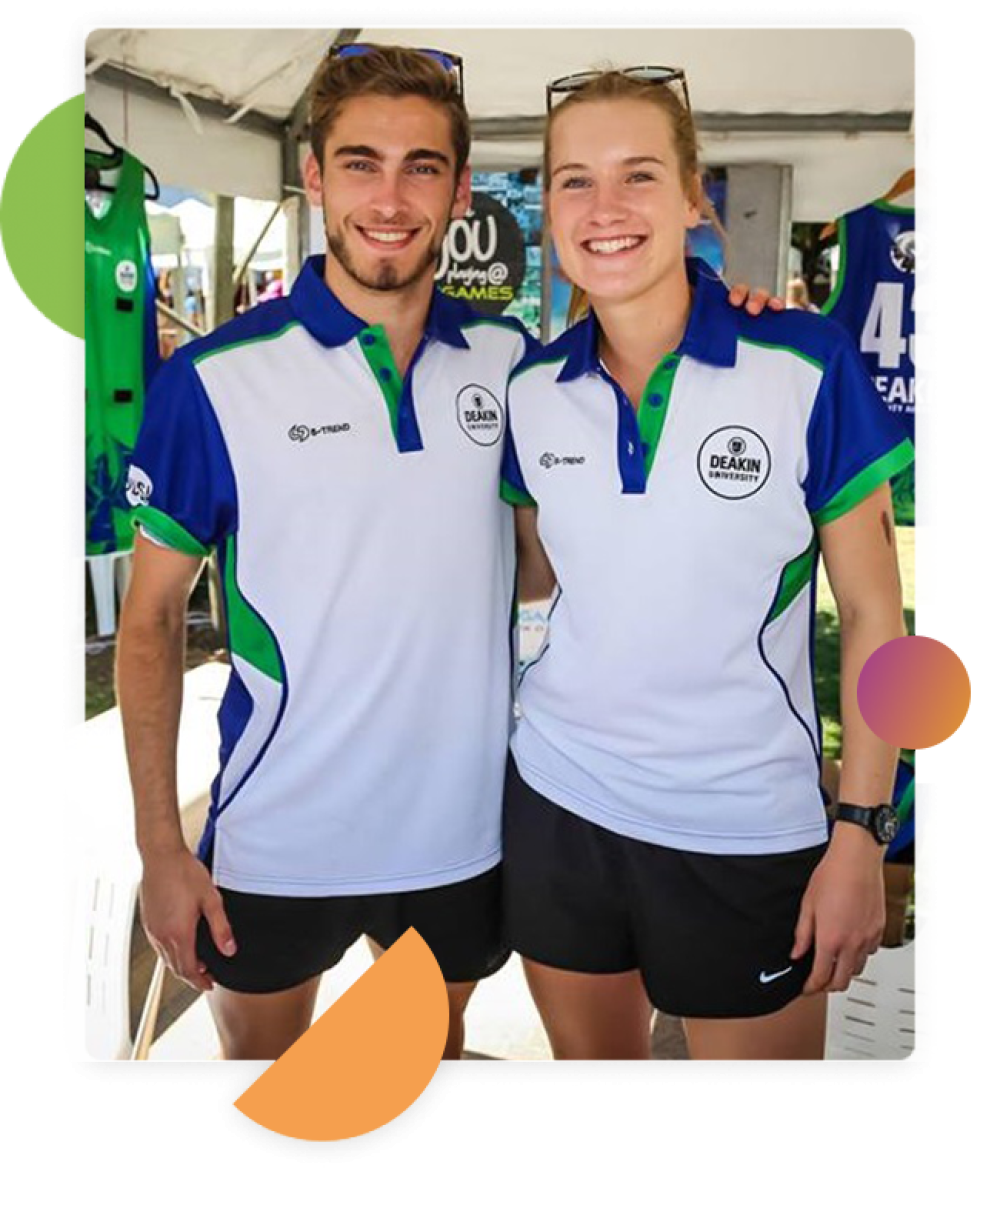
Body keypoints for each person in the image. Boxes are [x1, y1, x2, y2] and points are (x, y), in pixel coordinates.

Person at [116, 45, 779, 1064]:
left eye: (422, 165)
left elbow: (573, 524)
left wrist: (733, 309)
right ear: (315, 178)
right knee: (260, 1090)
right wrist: (161, 847)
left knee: (413, 1070)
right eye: (361, 162)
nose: (391, 196)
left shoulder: (517, 364)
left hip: (461, 838)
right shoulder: (214, 380)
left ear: (460, 188)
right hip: (279, 837)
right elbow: (151, 621)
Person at [501, 68, 917, 1062]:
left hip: (745, 828)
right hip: (558, 807)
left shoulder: (805, 361)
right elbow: (536, 581)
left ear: (693, 195)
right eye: (572, 180)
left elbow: (874, 619)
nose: (604, 210)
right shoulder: (529, 389)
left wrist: (859, 827)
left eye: (637, 175)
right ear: (548, 203)